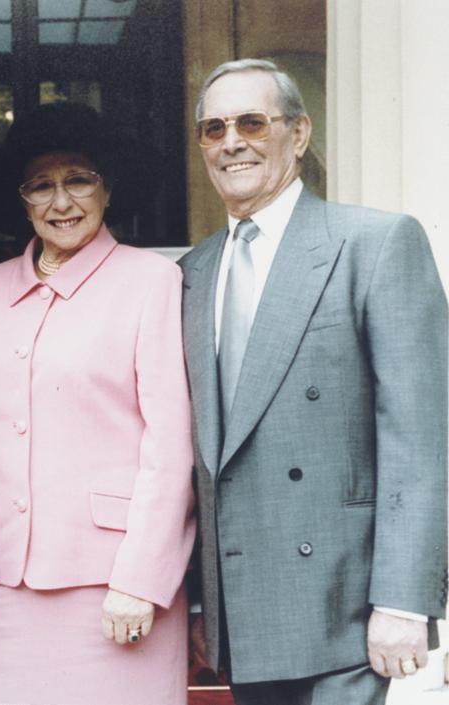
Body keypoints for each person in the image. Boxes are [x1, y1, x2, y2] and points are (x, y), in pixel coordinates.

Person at [181, 58, 448, 705]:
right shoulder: (192, 272)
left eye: (252, 122)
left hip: (347, 611)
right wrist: (200, 602)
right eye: (214, 129)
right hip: (245, 608)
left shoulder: (375, 243)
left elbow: (421, 434)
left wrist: (405, 599)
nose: (232, 141)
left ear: (298, 135)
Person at [0, 102, 195, 704]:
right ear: (22, 199)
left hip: (117, 584)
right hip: (12, 582)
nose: (62, 202)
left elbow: (171, 444)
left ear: (108, 188)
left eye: (79, 179)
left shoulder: (151, 282)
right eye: (42, 185)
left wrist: (142, 579)